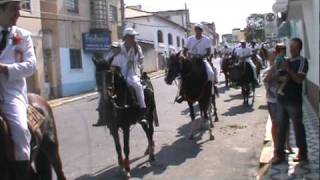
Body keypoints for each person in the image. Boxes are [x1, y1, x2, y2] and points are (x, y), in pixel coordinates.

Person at [0, 0, 37, 179]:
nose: (19, 13)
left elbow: (31, 66)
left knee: (21, 130)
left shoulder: (24, 35)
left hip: (11, 93)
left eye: (20, 8)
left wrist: (5, 68)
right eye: (14, 9)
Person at [272, 38, 309, 164]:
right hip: (282, 100)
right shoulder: (286, 60)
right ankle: (279, 154)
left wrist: (288, 69)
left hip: (294, 101)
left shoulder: (302, 61)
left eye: (293, 47)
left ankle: (302, 153)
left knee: (297, 127)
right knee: (281, 127)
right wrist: (276, 72)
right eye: (290, 47)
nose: (291, 49)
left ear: (299, 48)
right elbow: (277, 77)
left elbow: (299, 79)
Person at [175, 23, 216, 103]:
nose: (197, 31)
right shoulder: (190, 39)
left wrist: (201, 56)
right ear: (194, 30)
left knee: (211, 73)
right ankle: (181, 94)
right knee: (182, 75)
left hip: (202, 60)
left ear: (201, 31)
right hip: (191, 60)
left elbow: (208, 52)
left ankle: (211, 91)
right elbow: (184, 51)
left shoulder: (206, 40)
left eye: (199, 29)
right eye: (196, 29)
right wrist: (185, 57)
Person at [263, 50, 292, 160]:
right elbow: (267, 80)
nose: (273, 59)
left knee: (286, 123)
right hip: (273, 101)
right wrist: (274, 73)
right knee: (275, 123)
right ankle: (276, 147)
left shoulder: (283, 69)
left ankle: (287, 143)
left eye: (274, 57)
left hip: (284, 100)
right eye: (270, 57)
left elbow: (287, 79)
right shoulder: (267, 71)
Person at [111, 28, 146, 113]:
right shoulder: (119, 47)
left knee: (138, 86)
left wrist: (138, 59)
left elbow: (141, 60)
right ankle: (104, 114)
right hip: (119, 74)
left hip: (132, 74)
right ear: (126, 37)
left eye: (133, 37)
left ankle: (142, 108)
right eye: (131, 37)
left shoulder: (137, 48)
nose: (133, 39)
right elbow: (111, 59)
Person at [92, 42, 121, 126]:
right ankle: (101, 118)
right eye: (113, 48)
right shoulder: (109, 56)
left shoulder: (122, 56)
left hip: (120, 77)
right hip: (109, 81)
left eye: (115, 48)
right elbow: (105, 66)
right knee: (101, 101)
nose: (114, 49)